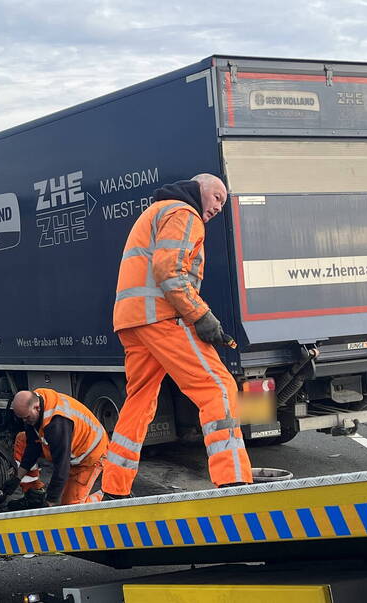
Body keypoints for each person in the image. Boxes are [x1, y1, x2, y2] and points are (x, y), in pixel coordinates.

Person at [101, 173, 253, 500]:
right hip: (162, 316)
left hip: (132, 321)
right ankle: (233, 482)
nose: (219, 208)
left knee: (139, 402)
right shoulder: (185, 213)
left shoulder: (156, 211)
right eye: (217, 198)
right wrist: (201, 316)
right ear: (200, 189)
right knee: (218, 386)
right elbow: (169, 271)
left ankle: (114, 487)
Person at [4, 388, 108, 507]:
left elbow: (62, 467)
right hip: (68, 449)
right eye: (22, 418)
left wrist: (49, 503)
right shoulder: (36, 400)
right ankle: (33, 492)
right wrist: (17, 478)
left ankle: (107, 498)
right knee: (22, 439)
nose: (25, 421)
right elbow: (33, 446)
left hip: (90, 457)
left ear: (37, 408)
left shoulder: (57, 424)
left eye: (26, 417)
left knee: (71, 507)